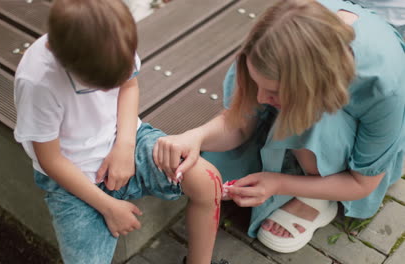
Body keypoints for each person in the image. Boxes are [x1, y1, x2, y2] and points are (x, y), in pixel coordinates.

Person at [154, 0, 405, 254]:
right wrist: (195, 136)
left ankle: (317, 191)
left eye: (273, 92)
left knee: (310, 125)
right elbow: (240, 122)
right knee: (212, 172)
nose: (261, 99)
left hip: (349, 150)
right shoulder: (272, 42)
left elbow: (362, 183)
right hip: (311, 100)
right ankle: (295, 157)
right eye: (256, 83)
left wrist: (279, 183)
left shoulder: (384, 86)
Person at [13, 0, 226, 263]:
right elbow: (51, 159)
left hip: (128, 139)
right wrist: (107, 206)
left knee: (207, 180)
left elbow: (128, 87)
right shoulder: (38, 83)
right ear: (67, 64)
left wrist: (124, 147)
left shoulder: (115, 41)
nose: (109, 90)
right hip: (73, 179)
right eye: (100, 85)